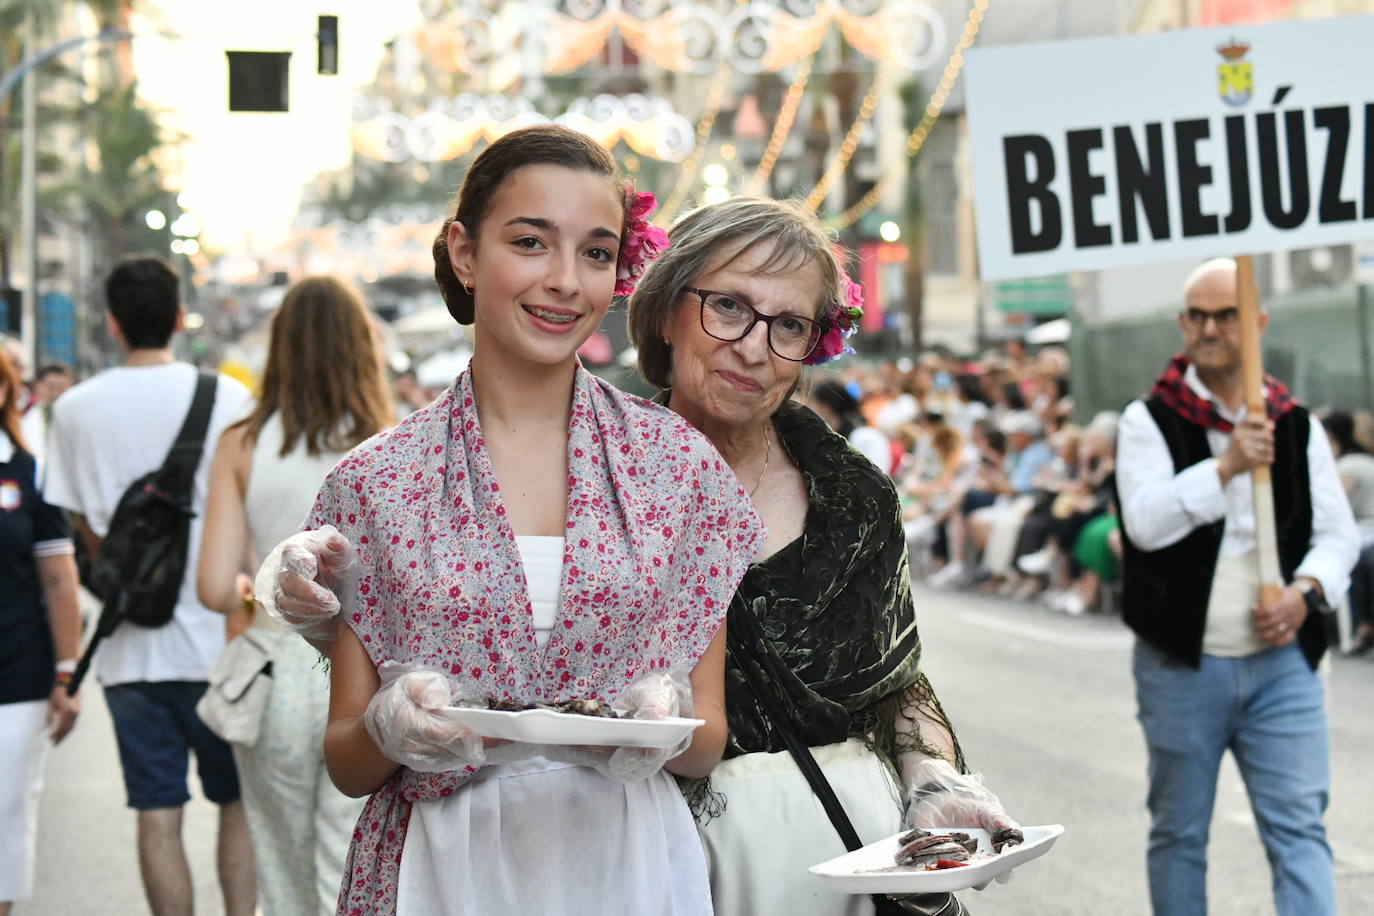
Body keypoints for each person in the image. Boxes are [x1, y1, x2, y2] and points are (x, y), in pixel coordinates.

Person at [254, 125, 762, 915]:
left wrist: (655, 721)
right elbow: (348, 763)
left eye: (596, 253)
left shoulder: (679, 469)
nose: (565, 281)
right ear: (465, 252)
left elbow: (706, 743)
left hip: (628, 868)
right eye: (531, 242)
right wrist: (390, 729)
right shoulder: (375, 484)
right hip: (438, 871)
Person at [627, 197, 1020, 916]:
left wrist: (934, 776)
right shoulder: (603, 487)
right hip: (672, 865)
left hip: (860, 859)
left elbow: (894, 679)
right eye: (728, 308)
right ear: (663, 312)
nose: (754, 347)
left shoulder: (853, 495)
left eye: (789, 326)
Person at [1115, 257, 1358, 916]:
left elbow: (1338, 536)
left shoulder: (1293, 421)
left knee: (1300, 830)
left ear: (1258, 324)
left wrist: (1305, 592)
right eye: (1198, 315)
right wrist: (1225, 467)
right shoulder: (1150, 419)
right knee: (1180, 833)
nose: (1211, 328)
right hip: (1183, 663)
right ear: (1183, 324)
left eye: (1227, 314)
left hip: (1284, 664)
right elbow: (1145, 525)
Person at [43, 258, 256, 916]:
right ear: (177, 317)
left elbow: (86, 538)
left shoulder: (74, 410)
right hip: (224, 645)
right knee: (236, 804)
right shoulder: (228, 399)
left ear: (112, 322)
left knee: (156, 813)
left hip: (131, 653)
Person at [197, 276, 395, 914]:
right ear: (361, 348)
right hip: (362, 678)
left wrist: (255, 593)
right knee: (350, 860)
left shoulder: (243, 442)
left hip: (277, 671)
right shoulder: (390, 444)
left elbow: (211, 587)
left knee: (279, 867)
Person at [0, 348, 81, 916]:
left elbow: (59, 580)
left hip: (16, 678)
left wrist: (66, 672)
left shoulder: (29, 474)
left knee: (5, 818)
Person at [1322, 409, 1374, 652]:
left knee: (1345, 553)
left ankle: (1357, 629)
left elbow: (1333, 508)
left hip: (1366, 532)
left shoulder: (1349, 465)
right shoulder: (1363, 461)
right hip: (1365, 533)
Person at [17, 363, 74, 461]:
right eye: (50, 387)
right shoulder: (22, 411)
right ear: (37, 385)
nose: (55, 394)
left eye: (61, 389)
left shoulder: (75, 418)